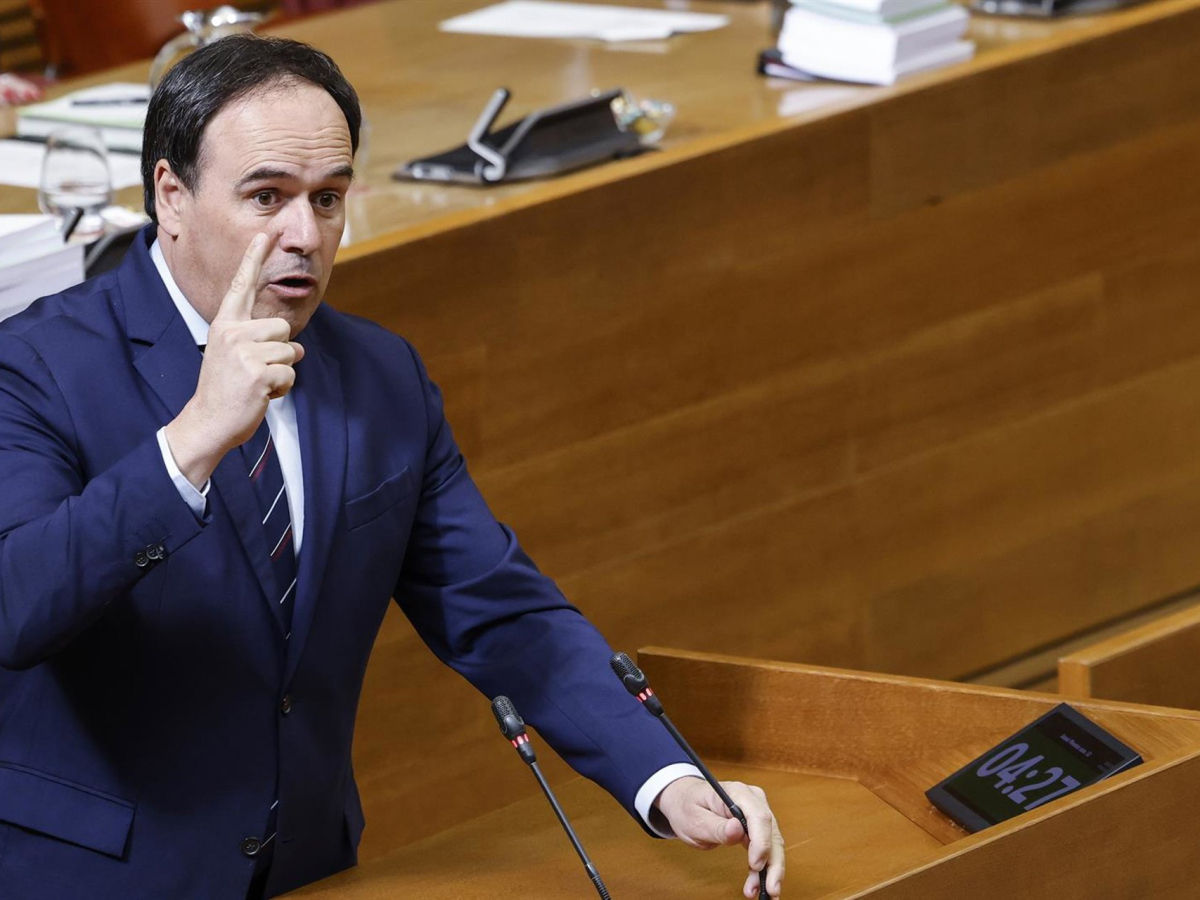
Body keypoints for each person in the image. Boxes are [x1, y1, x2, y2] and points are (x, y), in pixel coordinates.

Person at [0, 35, 784, 899]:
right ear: (171, 196)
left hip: (306, 870)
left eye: (328, 198)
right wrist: (191, 442)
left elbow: (503, 613)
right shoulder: (35, 367)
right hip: (91, 878)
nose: (305, 236)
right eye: (266, 197)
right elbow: (17, 605)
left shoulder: (380, 378)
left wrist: (666, 779)